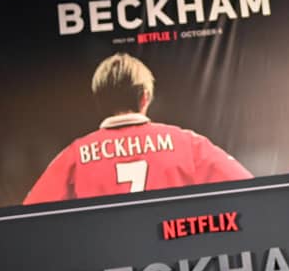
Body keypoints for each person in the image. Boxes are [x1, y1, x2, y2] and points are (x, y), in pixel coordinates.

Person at [23, 53, 252, 205]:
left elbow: (31, 216)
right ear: (145, 97)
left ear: (99, 100)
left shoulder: (75, 156)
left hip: (103, 270)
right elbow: (249, 192)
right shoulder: (188, 144)